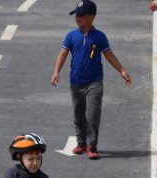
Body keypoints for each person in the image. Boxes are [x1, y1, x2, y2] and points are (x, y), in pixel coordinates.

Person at [50, 0, 131, 160]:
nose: (78, 18)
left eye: (82, 15)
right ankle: (81, 143)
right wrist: (56, 72)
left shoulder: (99, 37)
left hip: (94, 82)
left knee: (93, 113)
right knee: (78, 113)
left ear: (92, 17)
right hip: (76, 82)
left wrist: (121, 70)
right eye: (76, 15)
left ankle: (92, 145)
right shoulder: (71, 36)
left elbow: (109, 55)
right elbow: (63, 54)